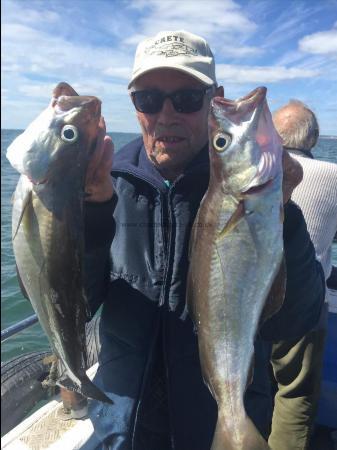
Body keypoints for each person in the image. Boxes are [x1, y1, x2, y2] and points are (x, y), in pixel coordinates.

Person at [82, 31, 325, 450]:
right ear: (134, 105)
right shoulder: (108, 187)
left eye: (188, 98)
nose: (167, 115)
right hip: (122, 434)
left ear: (215, 100)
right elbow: (77, 304)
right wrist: (87, 214)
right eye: (149, 99)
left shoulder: (261, 202)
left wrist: (281, 218)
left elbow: (293, 320)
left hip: (219, 426)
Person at [266, 101, 337, 450]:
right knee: (294, 394)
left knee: (252, 386)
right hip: (308, 300)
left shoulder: (259, 174)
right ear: (314, 138)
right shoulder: (334, 174)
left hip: (256, 295)